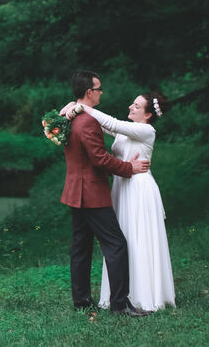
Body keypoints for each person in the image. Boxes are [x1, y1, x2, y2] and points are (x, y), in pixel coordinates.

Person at [65, 91, 176, 312]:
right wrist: (73, 106)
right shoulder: (127, 128)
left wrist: (81, 106)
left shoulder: (146, 130)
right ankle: (122, 294)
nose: (130, 107)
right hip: (122, 186)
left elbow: (110, 123)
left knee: (139, 239)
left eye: (136, 106)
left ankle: (145, 294)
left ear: (147, 115)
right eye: (132, 103)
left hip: (139, 188)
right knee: (122, 239)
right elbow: (102, 125)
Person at [55, 71, 151, 317]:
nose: (101, 92)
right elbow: (100, 159)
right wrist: (129, 168)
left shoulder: (68, 118)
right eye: (99, 89)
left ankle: (82, 302)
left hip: (74, 191)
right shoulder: (87, 122)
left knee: (81, 247)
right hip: (91, 193)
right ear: (89, 92)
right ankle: (119, 305)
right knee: (116, 245)